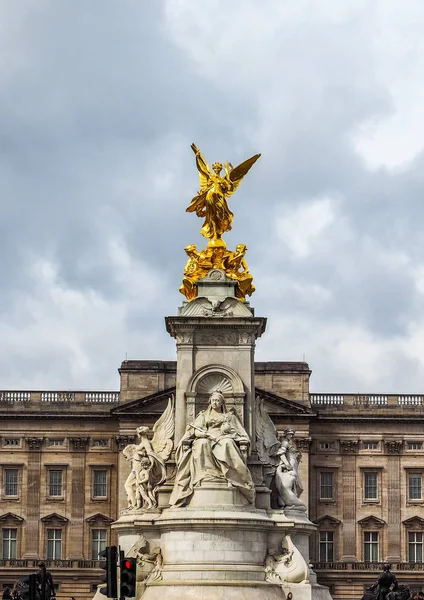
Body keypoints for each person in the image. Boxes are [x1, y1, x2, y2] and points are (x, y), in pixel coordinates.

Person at [169, 390, 255, 506]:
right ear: (210, 401)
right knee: (201, 444)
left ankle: (231, 476)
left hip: (224, 437)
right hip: (207, 437)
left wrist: (228, 432)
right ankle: (204, 476)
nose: (215, 403)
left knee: (227, 444)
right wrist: (203, 435)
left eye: (217, 400)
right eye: (213, 400)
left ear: (222, 403)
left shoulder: (229, 417)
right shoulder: (203, 415)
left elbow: (238, 431)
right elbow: (195, 430)